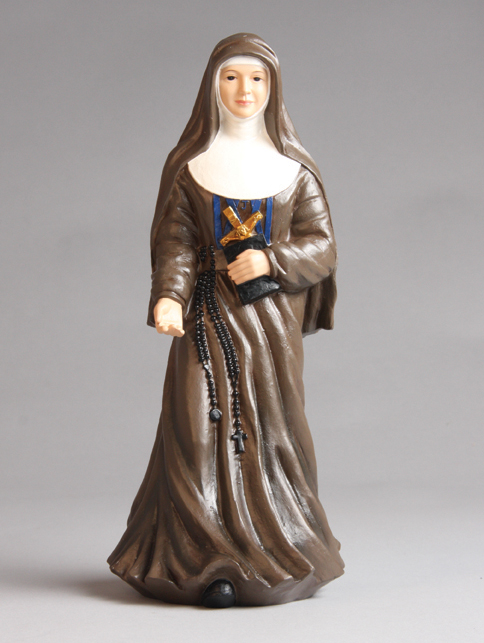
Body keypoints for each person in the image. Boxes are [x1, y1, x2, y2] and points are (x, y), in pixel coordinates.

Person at [108, 32, 344, 608]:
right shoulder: (191, 168)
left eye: (257, 78)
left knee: (273, 430)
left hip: (270, 328)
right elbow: (177, 241)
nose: (245, 90)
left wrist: (272, 259)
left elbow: (322, 246)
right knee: (195, 431)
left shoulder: (293, 171)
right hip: (206, 318)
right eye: (232, 77)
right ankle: (203, 560)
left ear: (273, 87)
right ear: (212, 86)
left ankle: (280, 552)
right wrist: (169, 296)